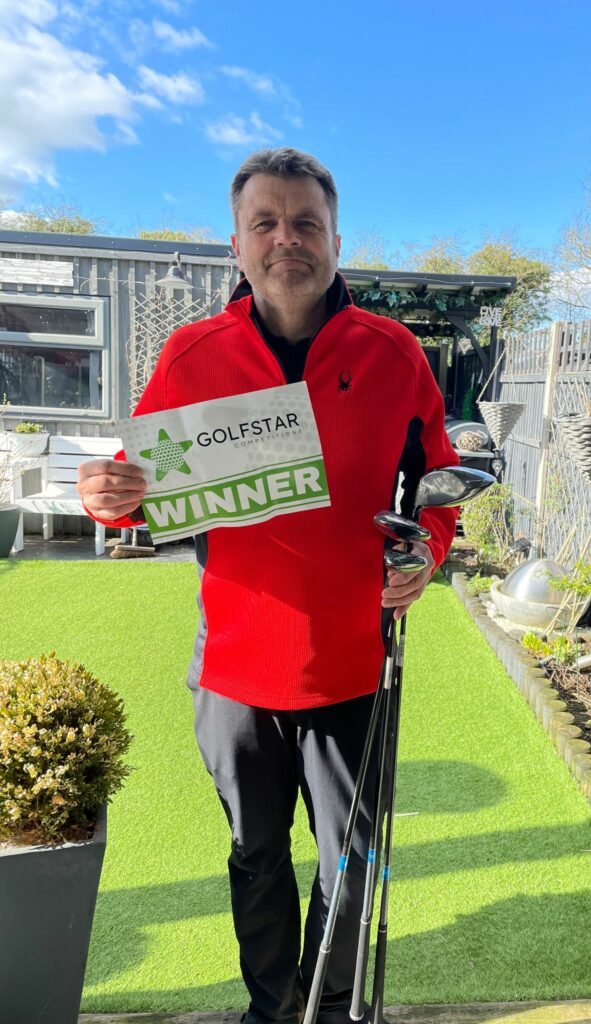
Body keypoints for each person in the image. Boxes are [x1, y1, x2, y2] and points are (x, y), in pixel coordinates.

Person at [77, 148, 459, 1024]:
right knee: (255, 855)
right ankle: (270, 1010)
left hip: (353, 662)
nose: (287, 239)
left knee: (351, 863)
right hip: (235, 667)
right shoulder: (192, 353)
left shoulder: (395, 354)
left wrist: (425, 552)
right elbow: (144, 488)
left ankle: (331, 1007)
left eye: (306, 223)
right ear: (238, 245)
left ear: (335, 240)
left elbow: (436, 484)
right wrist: (108, 496)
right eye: (266, 223)